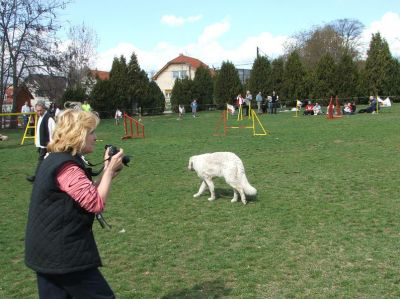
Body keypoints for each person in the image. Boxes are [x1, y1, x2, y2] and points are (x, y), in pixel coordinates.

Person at [25, 109, 124, 299]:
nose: (95, 137)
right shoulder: (66, 165)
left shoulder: (55, 158)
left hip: (44, 251)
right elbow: (95, 203)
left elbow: (83, 193)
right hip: (62, 253)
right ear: (79, 134)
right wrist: (109, 172)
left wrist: (107, 174)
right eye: (92, 132)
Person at [26, 101, 56, 182]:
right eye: (37, 110)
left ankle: (36, 177)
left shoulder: (49, 118)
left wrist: (51, 145)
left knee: (41, 160)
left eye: (40, 110)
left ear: (44, 109)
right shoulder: (41, 117)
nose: (39, 112)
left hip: (47, 145)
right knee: (45, 161)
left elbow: (53, 133)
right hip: (42, 145)